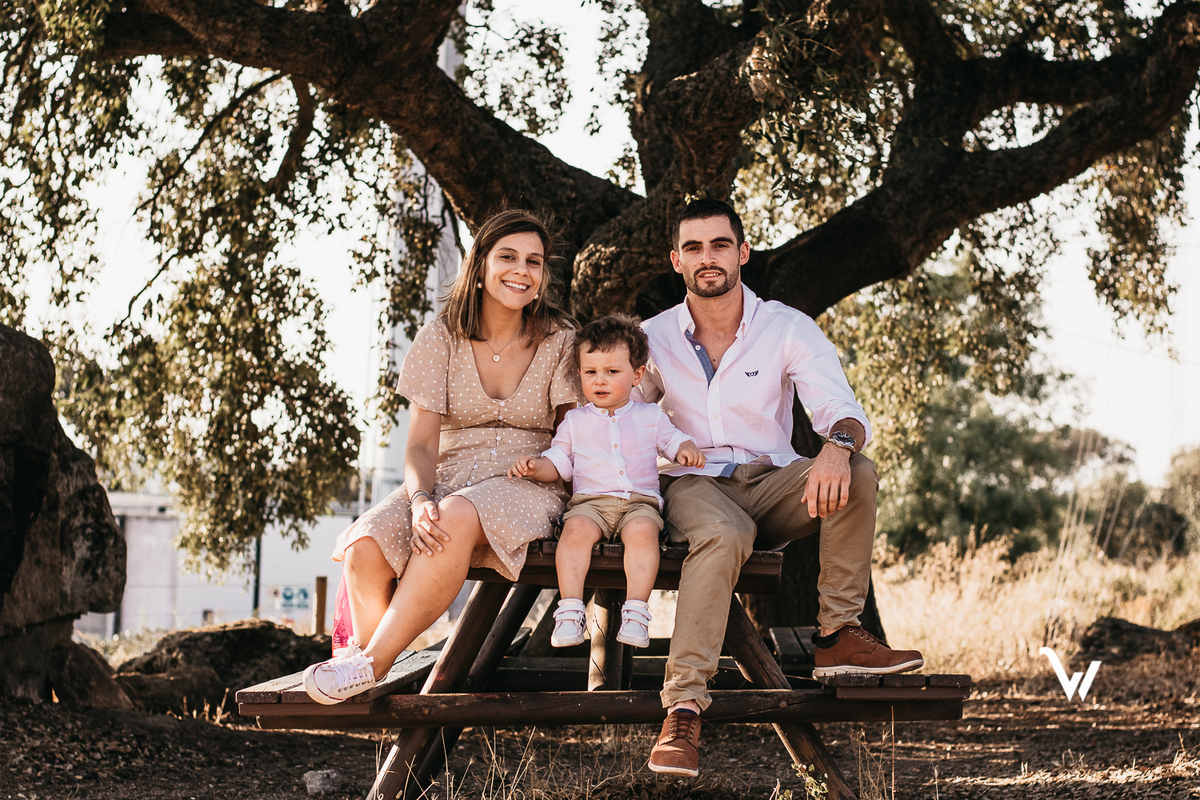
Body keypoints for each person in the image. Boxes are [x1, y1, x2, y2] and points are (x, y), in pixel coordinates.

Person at [637, 199, 924, 776]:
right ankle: (683, 709)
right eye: (693, 247)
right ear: (676, 260)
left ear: (742, 253)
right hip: (692, 486)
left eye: (720, 245)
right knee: (723, 532)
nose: (707, 258)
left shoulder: (787, 327)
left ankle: (838, 634)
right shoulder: (649, 339)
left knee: (860, 474)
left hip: (771, 482)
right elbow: (620, 419)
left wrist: (838, 449)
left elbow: (843, 410)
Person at [301, 209, 582, 704]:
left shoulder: (560, 338)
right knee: (365, 544)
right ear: (479, 265)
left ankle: (371, 665)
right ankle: (367, 681)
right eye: (508, 257)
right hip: (450, 476)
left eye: (534, 262)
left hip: (530, 481)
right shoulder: (441, 336)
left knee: (452, 517)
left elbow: (574, 434)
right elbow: (421, 445)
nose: (522, 270)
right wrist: (418, 499)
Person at [508, 314, 705, 650]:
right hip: (589, 504)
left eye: (612, 372)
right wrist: (535, 467)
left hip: (638, 503)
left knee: (643, 535)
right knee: (574, 533)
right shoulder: (575, 421)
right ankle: (569, 612)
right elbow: (558, 462)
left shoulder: (650, 416)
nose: (600, 380)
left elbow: (673, 441)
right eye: (590, 372)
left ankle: (636, 613)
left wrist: (686, 449)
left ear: (637, 375)